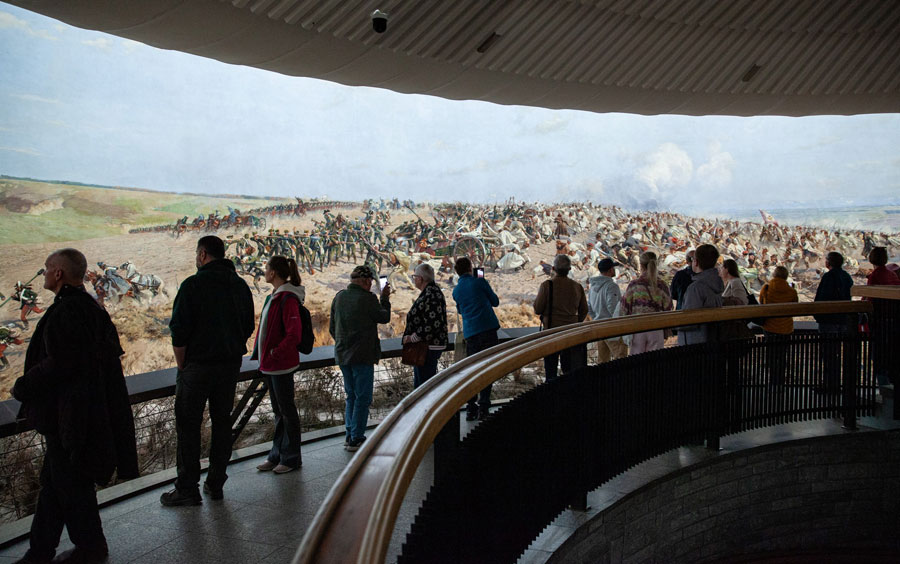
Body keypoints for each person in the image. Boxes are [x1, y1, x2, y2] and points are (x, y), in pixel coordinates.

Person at [12, 248, 137, 564]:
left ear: (58, 273)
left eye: (46, 268)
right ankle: (40, 551)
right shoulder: (90, 309)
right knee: (56, 485)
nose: (43, 272)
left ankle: (91, 547)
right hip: (82, 415)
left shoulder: (68, 311)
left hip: (70, 419)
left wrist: (24, 385)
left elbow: (62, 363)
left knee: (71, 486)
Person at [162, 236, 255, 506]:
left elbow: (178, 330)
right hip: (228, 366)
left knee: (189, 426)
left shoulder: (193, 284)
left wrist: (182, 363)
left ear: (202, 255)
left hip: (197, 367)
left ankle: (187, 488)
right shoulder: (239, 286)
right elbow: (248, 325)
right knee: (222, 422)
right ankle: (215, 483)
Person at [251, 256, 306, 474]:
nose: (264, 272)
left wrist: (275, 352)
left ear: (273, 273)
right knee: (279, 412)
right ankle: (277, 455)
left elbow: (294, 334)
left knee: (286, 411)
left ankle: (291, 458)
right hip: (271, 364)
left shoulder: (287, 298)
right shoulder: (275, 296)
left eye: (266, 269)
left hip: (280, 364)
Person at [330, 265, 392, 451]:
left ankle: (350, 434)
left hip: (342, 354)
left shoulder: (339, 297)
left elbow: (333, 328)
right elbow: (384, 317)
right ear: (366, 281)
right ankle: (356, 438)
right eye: (371, 282)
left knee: (351, 396)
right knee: (363, 398)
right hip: (363, 355)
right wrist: (385, 298)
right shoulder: (368, 298)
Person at [452, 257, 501, 421]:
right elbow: (495, 302)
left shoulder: (456, 291)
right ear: (470, 268)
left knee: (473, 371)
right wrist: (482, 282)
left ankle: (471, 408)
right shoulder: (479, 282)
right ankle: (484, 407)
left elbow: (460, 311)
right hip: (487, 329)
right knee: (487, 368)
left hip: (471, 333)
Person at [534, 254, 589, 379]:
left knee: (551, 370)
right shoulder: (577, 286)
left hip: (551, 332)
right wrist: (574, 321)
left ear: (553, 268)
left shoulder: (547, 285)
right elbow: (584, 310)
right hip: (571, 333)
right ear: (569, 269)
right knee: (570, 371)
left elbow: (538, 309)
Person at [403, 263, 448, 388]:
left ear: (420, 279)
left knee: (423, 388)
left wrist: (412, 338)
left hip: (427, 347)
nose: (414, 279)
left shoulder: (431, 294)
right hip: (426, 346)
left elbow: (431, 324)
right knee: (422, 385)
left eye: (414, 276)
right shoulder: (432, 291)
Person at [813, 252, 854, 392]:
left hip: (829, 320)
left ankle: (830, 385)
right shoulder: (846, 277)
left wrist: (818, 315)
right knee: (839, 355)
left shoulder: (828, 277)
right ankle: (841, 385)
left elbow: (821, 298)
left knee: (829, 354)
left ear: (828, 263)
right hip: (843, 320)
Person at [619, 251, 673, 354]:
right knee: (654, 364)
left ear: (641, 265)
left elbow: (623, 308)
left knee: (638, 364)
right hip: (657, 329)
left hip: (637, 328)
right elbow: (669, 307)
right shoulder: (662, 285)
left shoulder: (634, 285)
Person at [678, 244, 724, 346]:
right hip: (713, 342)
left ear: (696, 262)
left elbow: (689, 321)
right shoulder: (719, 283)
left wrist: (672, 324)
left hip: (695, 344)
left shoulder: (695, 289)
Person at [759, 265, 799, 385]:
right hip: (786, 328)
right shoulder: (791, 291)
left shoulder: (766, 288)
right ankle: (780, 380)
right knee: (782, 356)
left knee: (771, 355)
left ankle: (772, 381)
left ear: (774, 275)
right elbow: (795, 307)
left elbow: (761, 304)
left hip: (770, 327)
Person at [587, 258, 627, 362]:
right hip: (611, 327)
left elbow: (590, 307)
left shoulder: (593, 287)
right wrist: (619, 322)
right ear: (610, 270)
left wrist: (596, 318)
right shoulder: (611, 286)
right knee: (620, 355)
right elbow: (612, 307)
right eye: (613, 268)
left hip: (599, 326)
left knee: (603, 359)